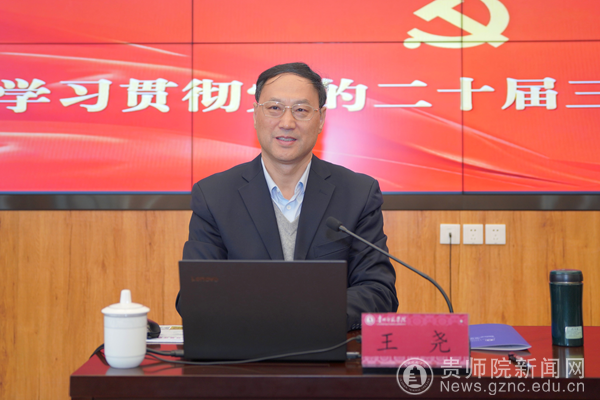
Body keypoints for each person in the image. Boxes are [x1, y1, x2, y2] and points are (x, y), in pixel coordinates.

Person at [179, 62, 398, 330]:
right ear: (255, 115)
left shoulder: (357, 193)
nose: (286, 123)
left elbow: (378, 292)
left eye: (301, 110)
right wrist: (283, 313)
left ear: (321, 119)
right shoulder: (214, 196)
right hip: (245, 351)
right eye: (274, 108)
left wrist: (300, 315)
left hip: (328, 349)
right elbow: (195, 295)